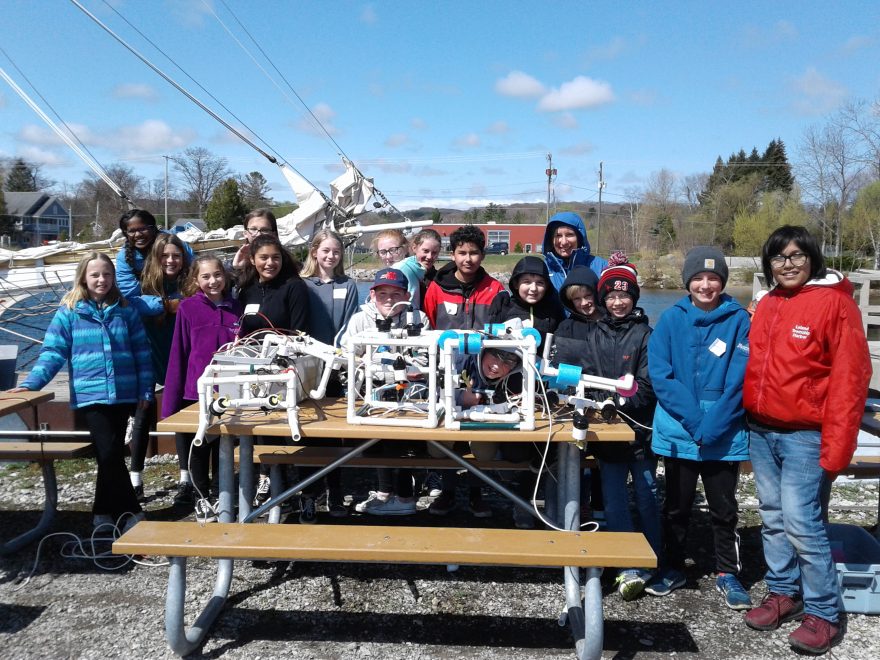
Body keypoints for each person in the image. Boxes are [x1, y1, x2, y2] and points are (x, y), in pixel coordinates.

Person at [743, 226, 871, 655]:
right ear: (769, 265)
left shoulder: (836, 305)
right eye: (779, 257)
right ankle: (784, 593)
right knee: (773, 516)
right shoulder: (769, 302)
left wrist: (837, 448)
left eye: (797, 255)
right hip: (761, 430)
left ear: (813, 258)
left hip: (806, 436)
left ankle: (825, 612)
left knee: (803, 523)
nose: (789, 264)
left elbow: (851, 382)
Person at [9, 252, 153, 531]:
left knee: (107, 455)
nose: (102, 280)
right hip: (91, 394)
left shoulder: (126, 310)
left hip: (124, 393)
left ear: (114, 277)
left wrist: (145, 390)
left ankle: (102, 514)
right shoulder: (69, 312)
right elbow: (53, 351)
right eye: (95, 274)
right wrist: (33, 383)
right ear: (83, 278)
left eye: (107, 274)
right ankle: (132, 513)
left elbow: (142, 353)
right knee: (109, 453)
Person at [645, 247, 752, 609]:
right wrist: (695, 421)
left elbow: (741, 379)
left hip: (725, 432)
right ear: (688, 282)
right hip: (681, 430)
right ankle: (673, 566)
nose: (706, 285)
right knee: (676, 505)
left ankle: (728, 572)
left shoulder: (739, 319)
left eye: (713, 278)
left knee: (724, 507)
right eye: (698, 278)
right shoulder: (671, 320)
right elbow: (661, 375)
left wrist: (715, 424)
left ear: (722, 281)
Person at [556, 253, 659, 600]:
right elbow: (586, 376)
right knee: (614, 498)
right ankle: (625, 564)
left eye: (624, 295)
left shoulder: (645, 334)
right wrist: (604, 398)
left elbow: (648, 383)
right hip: (608, 430)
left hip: (641, 430)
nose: (617, 301)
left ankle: (653, 557)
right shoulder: (594, 333)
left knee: (646, 494)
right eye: (611, 296)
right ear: (604, 299)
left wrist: (626, 401)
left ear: (634, 298)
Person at [423, 225, 505, 516]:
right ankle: (446, 490)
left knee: (479, 437)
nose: (467, 258)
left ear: (482, 254)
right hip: (445, 373)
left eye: (473, 252)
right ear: (453, 254)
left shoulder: (495, 289)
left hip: (483, 376)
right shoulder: (436, 288)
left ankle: (475, 491)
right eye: (461, 253)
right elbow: (430, 326)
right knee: (445, 437)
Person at [116, 209, 195, 505]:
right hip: (147, 343)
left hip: (179, 342)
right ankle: (135, 479)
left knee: (181, 407)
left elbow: (199, 289)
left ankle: (187, 477)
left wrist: (181, 306)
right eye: (131, 231)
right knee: (142, 409)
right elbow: (130, 301)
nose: (138, 234)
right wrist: (165, 305)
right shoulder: (126, 262)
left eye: (143, 228)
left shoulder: (178, 249)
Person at [340, 268, 429, 516]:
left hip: (410, 391)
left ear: (407, 295)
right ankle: (384, 492)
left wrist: (407, 369)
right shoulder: (359, 319)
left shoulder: (418, 319)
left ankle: (403, 496)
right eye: (383, 293)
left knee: (403, 443)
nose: (389, 299)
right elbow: (348, 354)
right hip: (372, 389)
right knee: (374, 443)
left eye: (395, 293)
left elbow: (423, 359)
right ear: (373, 294)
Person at [162, 255, 243, 522]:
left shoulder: (237, 308)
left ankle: (222, 494)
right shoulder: (188, 308)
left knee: (223, 445)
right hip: (196, 393)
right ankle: (201, 497)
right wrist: (170, 405)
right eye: (206, 276)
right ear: (196, 280)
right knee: (199, 448)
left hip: (228, 391)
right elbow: (179, 352)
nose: (213, 281)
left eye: (217, 275)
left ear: (226, 276)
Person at [235, 233, 310, 516]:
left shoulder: (294, 286)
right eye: (263, 258)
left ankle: (297, 490)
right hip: (251, 369)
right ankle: (267, 479)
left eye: (275, 257)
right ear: (253, 260)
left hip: (283, 368)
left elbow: (300, 330)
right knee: (259, 430)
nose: (270, 263)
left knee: (285, 429)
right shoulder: (246, 288)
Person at [300, 229, 359, 517]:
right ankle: (308, 494)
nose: (330, 256)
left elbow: (349, 325)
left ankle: (335, 492)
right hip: (307, 368)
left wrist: (337, 356)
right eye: (325, 251)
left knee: (334, 433)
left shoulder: (348, 286)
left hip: (335, 369)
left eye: (335, 251)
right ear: (314, 252)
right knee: (308, 432)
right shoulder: (302, 285)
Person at [487, 255, 564, 353]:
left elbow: (560, 344)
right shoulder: (504, 307)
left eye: (540, 283)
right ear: (516, 284)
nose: (533, 288)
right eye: (527, 282)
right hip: (509, 365)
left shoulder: (554, 311)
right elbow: (491, 341)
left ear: (547, 286)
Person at [541, 211, 608, 293]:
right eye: (558, 236)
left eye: (569, 235)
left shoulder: (601, 267)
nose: (564, 242)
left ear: (579, 238)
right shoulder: (543, 269)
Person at [393, 228, 442, 310]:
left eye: (434, 252)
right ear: (414, 248)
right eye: (425, 251)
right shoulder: (401, 269)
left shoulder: (438, 277)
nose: (429, 257)